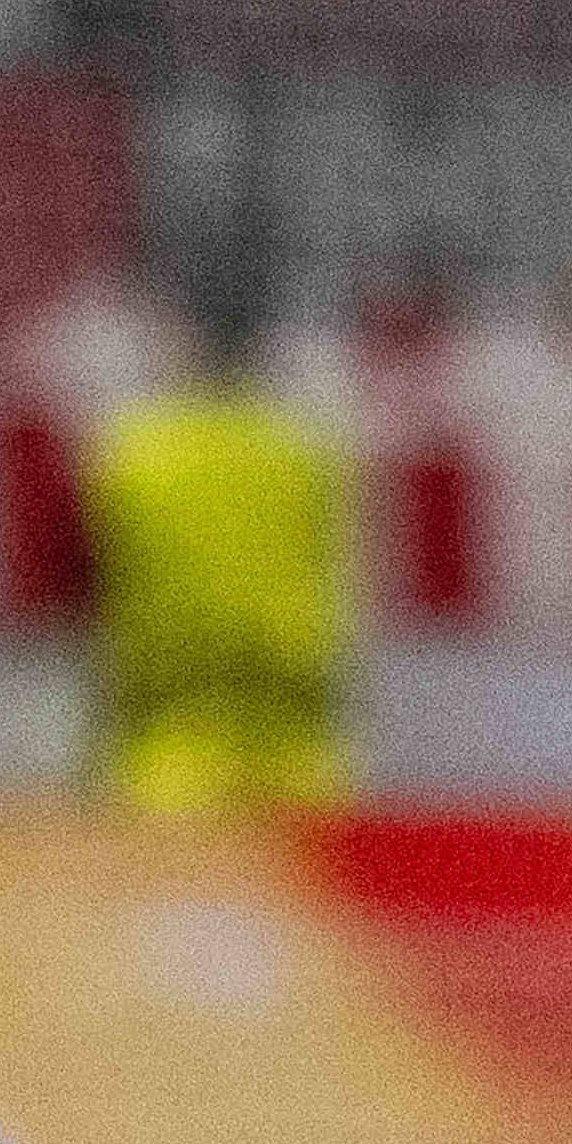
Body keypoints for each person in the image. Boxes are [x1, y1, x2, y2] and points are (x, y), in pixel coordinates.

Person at [85, 326, 356, 815]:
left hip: (168, 764)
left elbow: (88, 599)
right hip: (300, 762)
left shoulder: (133, 451)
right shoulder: (307, 448)